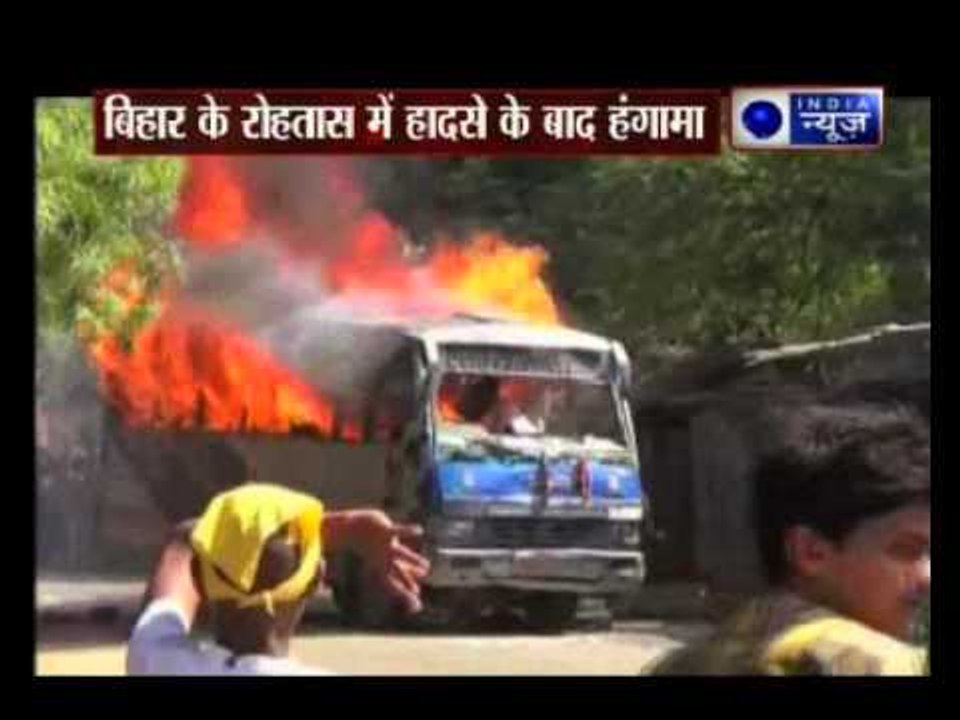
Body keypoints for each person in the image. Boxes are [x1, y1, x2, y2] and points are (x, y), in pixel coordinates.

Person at [648, 406, 930, 675]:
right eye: (906, 550)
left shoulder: (677, 664)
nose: (926, 577)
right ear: (810, 552)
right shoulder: (872, 663)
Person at [127, 483, 430, 675]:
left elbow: (183, 541)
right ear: (316, 580)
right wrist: (349, 529)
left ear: (203, 583)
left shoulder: (157, 661)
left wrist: (337, 527)